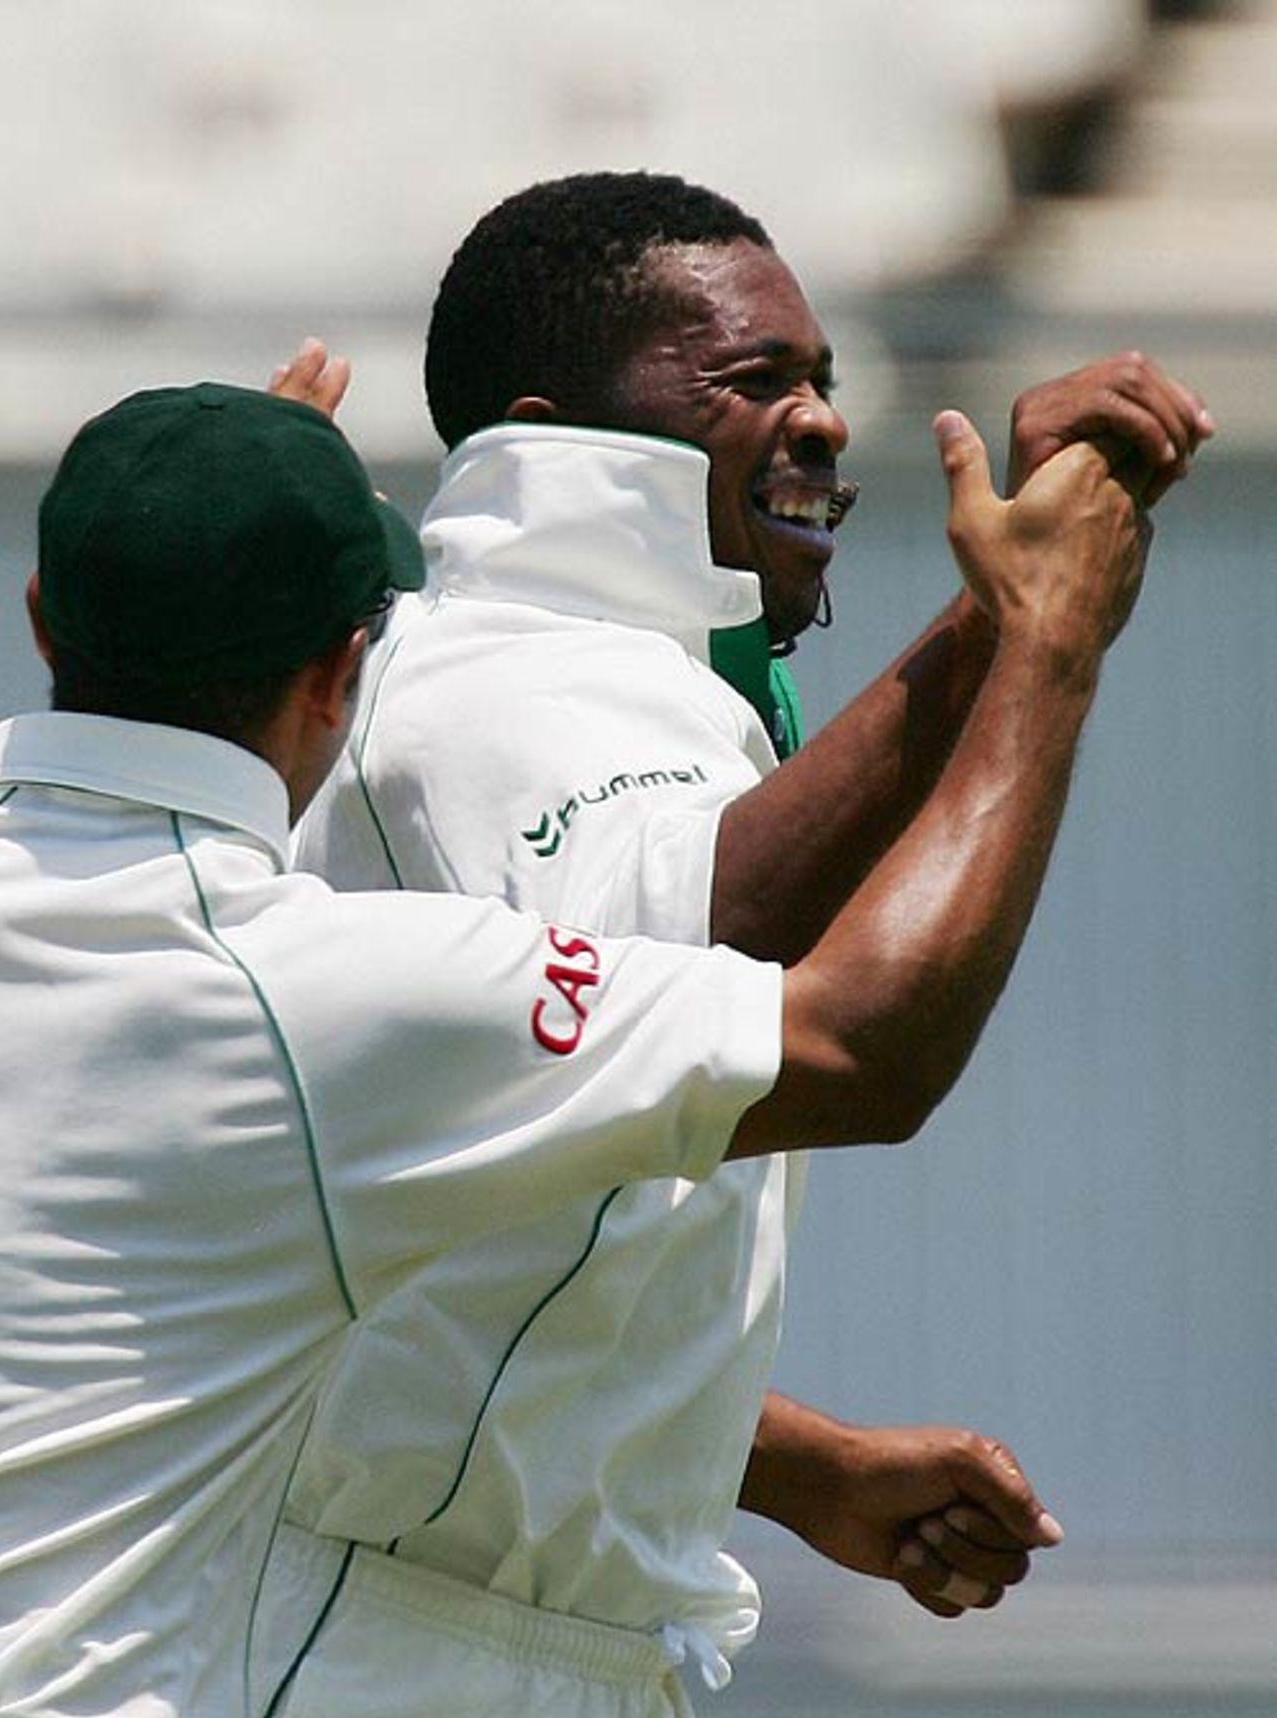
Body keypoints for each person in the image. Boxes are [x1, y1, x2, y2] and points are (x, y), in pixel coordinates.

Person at [0, 379, 1104, 1717]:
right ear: (343, 671)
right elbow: (858, 1045)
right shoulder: (319, 996)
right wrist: (1044, 640)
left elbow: (134, 1330)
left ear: (44, 612)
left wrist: (798, 1468)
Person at [269, 173, 1209, 1711]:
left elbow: (492, 1265)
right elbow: (753, 978)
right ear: (555, 428)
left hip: (455, 1639)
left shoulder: (601, 685)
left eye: (826, 379)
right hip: (387, 1654)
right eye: (753, 378)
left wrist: (790, 1462)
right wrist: (1026, 635)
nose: (824, 419)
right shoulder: (497, 687)